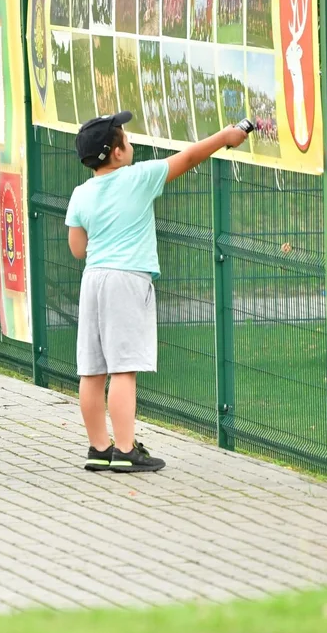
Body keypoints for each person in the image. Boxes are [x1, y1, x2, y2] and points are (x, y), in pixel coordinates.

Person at [67, 111, 248, 472]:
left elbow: (77, 248)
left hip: (94, 279)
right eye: (127, 140)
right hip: (127, 280)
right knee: (123, 369)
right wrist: (225, 137)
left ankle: (99, 448)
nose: (131, 145)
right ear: (117, 153)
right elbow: (190, 157)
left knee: (92, 369)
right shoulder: (139, 177)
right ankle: (124, 450)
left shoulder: (81, 193)